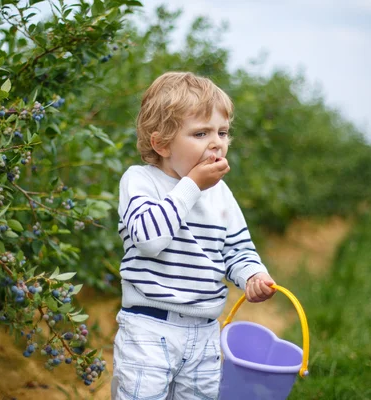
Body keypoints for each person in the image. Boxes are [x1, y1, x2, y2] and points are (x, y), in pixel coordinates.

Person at [111, 71, 277, 400]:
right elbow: (148, 238)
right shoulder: (141, 182)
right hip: (149, 328)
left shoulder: (221, 194)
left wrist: (252, 275)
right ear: (161, 143)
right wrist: (192, 186)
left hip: (204, 334)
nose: (216, 142)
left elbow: (236, 249)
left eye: (223, 132)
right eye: (200, 133)